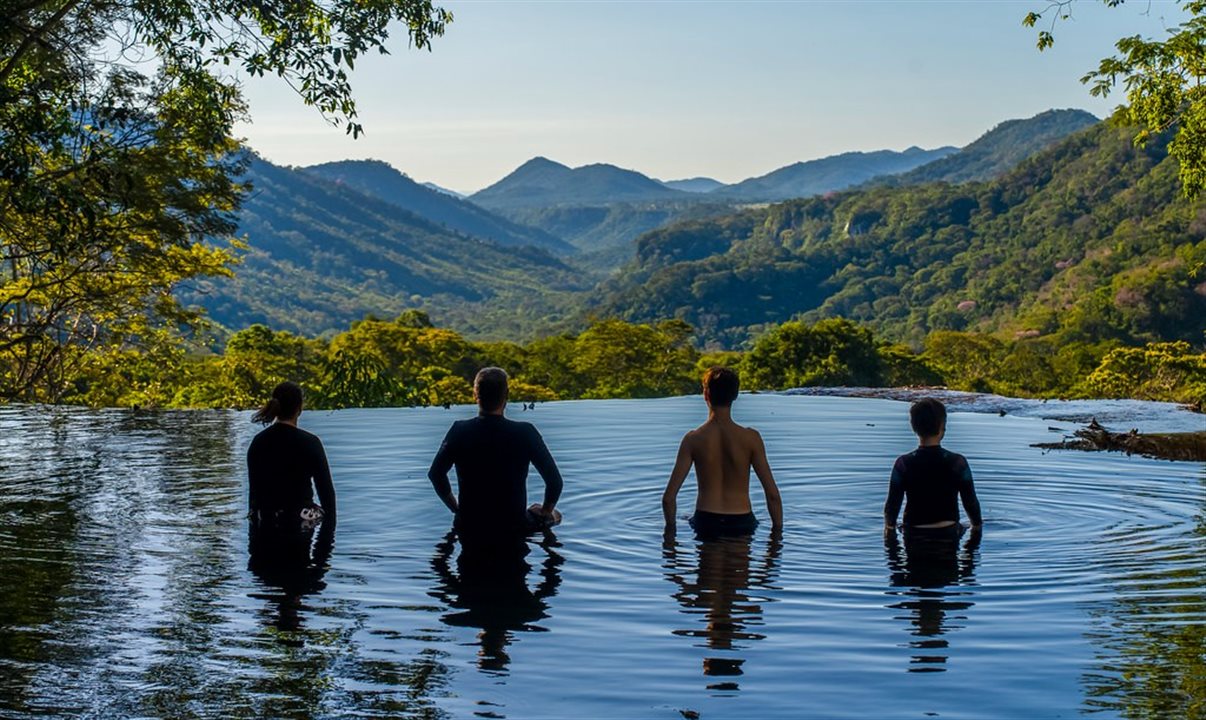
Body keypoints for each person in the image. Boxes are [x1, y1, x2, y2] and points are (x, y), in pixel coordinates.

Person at [428, 367, 563, 543]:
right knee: (556, 514)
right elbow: (555, 482)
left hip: (469, 524)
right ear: (506, 395)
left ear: (475, 394)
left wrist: (457, 510)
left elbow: (435, 474)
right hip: (514, 525)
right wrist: (545, 512)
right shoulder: (525, 432)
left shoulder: (459, 431)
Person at [662, 366, 783, 538]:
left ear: (706, 395)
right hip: (742, 521)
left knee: (707, 564)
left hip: (705, 521)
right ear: (735, 395)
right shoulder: (751, 438)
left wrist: (670, 536)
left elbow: (668, 498)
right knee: (740, 564)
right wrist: (777, 537)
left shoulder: (692, 439)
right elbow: (772, 496)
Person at [883, 398, 982, 540]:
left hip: (913, 532)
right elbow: (971, 502)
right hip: (948, 531)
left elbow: (892, 507)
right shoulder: (958, 463)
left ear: (914, 427)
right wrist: (976, 527)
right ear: (943, 426)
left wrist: (890, 529)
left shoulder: (903, 463)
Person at [246, 381, 336, 530]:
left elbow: (254, 495)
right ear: (299, 408)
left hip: (265, 518)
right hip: (299, 518)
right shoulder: (310, 443)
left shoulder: (258, 442)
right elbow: (327, 495)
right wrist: (326, 549)